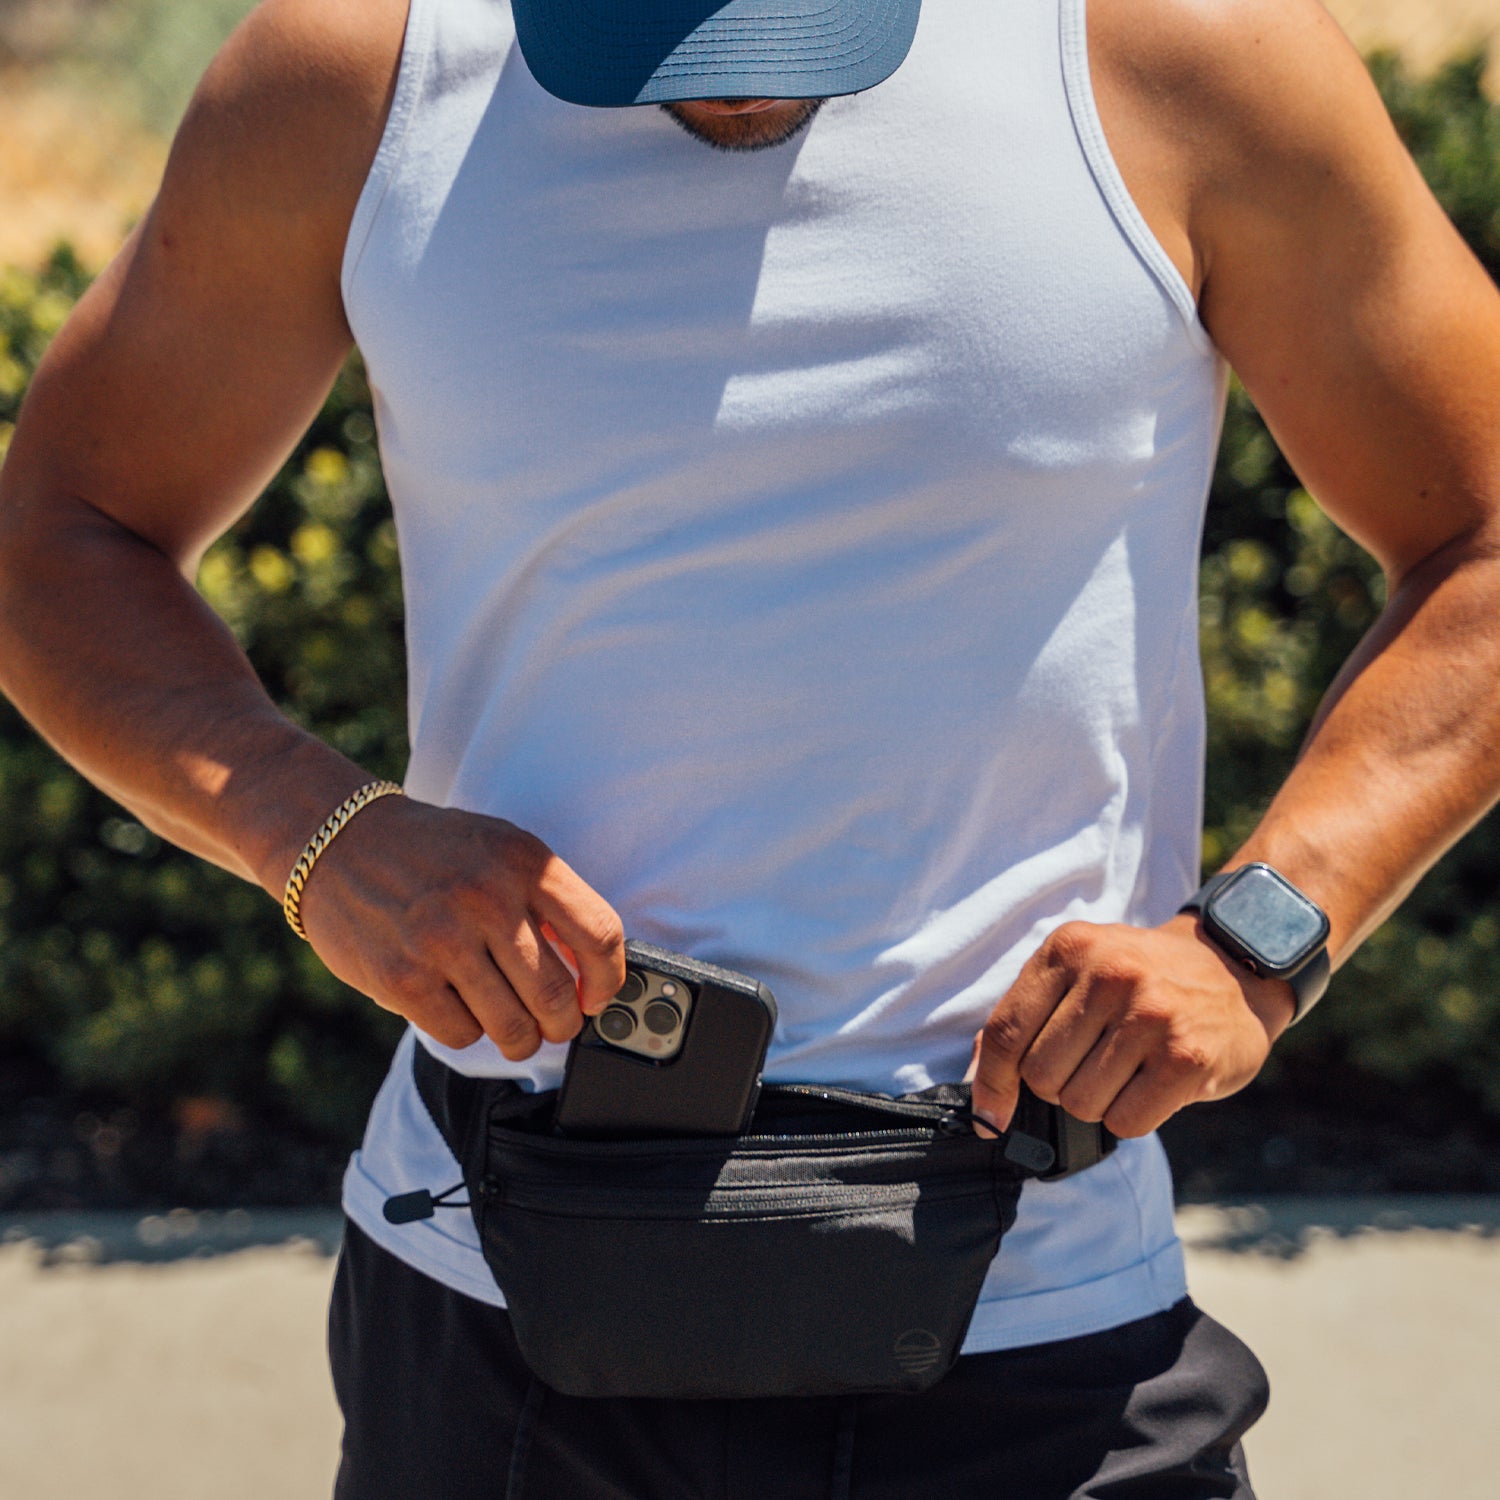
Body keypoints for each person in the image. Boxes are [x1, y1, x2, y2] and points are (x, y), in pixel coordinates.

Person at [1, 0, 1498, 1493]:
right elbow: (57, 542)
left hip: (1039, 1339)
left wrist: (1257, 939)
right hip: (498, 1316)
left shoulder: (1180, 55)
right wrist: (315, 835)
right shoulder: (361, 73)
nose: (720, 97)